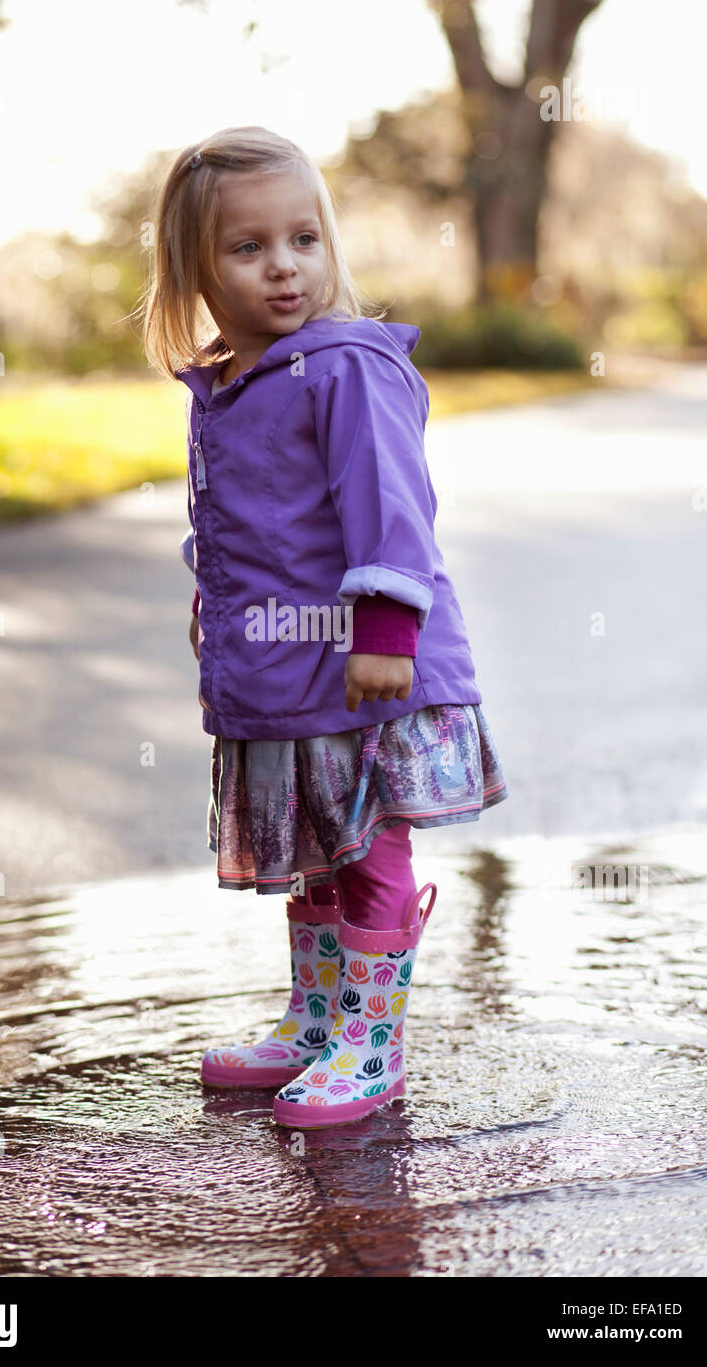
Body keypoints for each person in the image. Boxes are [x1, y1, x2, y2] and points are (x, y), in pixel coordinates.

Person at [140, 125, 509, 1129]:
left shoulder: (343, 365)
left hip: (360, 671)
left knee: (364, 851)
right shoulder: (226, 383)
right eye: (247, 248)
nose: (283, 266)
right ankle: (316, 1022)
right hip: (276, 670)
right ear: (193, 270)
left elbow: (389, 505)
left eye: (302, 238)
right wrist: (208, 605)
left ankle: (368, 1044)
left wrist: (385, 633)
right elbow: (239, 520)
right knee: (311, 851)